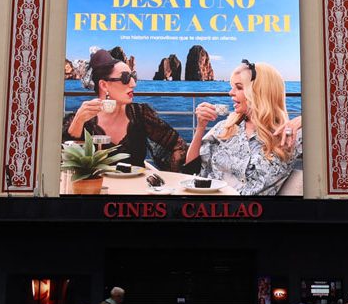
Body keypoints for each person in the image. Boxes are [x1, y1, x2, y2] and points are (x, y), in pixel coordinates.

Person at [64, 49, 200, 172]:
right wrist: (78, 122)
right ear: (104, 85)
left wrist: (201, 126)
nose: (133, 84)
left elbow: (179, 150)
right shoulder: (83, 118)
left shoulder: (140, 114)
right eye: (125, 78)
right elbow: (63, 164)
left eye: (133, 76)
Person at [186, 60, 302, 195]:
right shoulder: (224, 127)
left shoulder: (288, 135)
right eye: (232, 87)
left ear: (260, 92)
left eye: (239, 87)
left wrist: (301, 120)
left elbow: (330, 120)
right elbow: (191, 171)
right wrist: (200, 127)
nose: (230, 93)